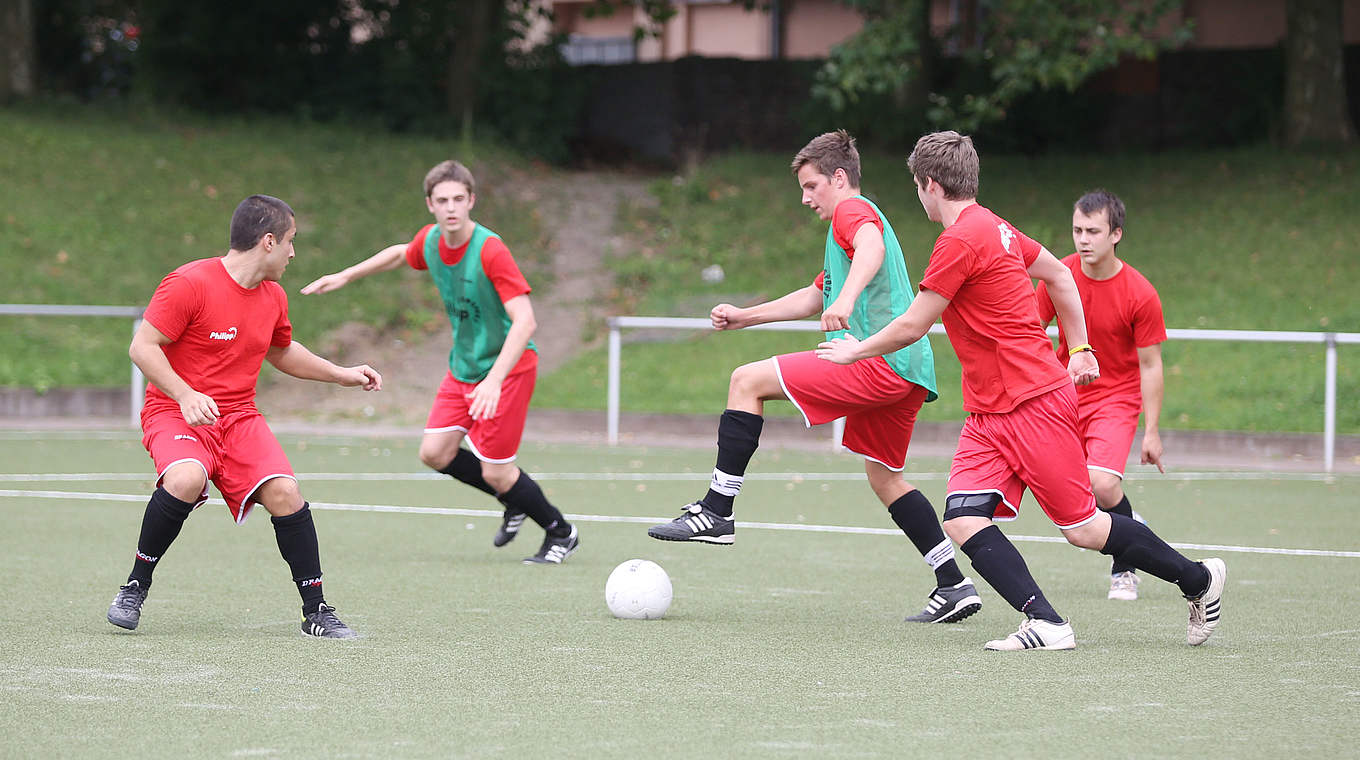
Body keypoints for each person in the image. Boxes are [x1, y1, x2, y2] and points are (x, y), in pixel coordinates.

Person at [816, 131, 1225, 650]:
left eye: (917, 186)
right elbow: (1059, 273)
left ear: (930, 184)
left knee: (1084, 529)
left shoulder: (960, 240)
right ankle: (1047, 623)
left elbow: (915, 324)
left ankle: (1199, 580)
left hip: (1033, 402)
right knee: (963, 519)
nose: (918, 196)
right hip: (990, 411)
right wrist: (1078, 347)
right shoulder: (996, 227)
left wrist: (855, 350)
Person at [647, 130, 983, 624]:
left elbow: (864, 252)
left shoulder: (853, 213)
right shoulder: (847, 229)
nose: (806, 199)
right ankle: (953, 584)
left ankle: (717, 510)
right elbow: (814, 297)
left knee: (745, 381)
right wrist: (746, 316)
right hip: (910, 369)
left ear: (839, 178)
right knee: (884, 477)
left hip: (874, 361)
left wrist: (846, 302)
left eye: (810, 186)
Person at [107, 194, 382, 639]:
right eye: (291, 241)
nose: (294, 253)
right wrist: (185, 393)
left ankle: (317, 611)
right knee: (185, 478)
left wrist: (342, 375)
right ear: (268, 241)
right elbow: (142, 347)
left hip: (238, 418)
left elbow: (282, 351)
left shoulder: (273, 296)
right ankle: (135, 585)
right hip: (175, 412)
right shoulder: (189, 283)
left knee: (286, 493)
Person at [301, 160, 579, 564]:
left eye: (459, 200)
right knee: (435, 453)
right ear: (430, 204)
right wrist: (346, 275)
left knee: (498, 472)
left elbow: (526, 321)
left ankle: (560, 531)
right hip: (463, 367)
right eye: (442, 200)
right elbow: (401, 254)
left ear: (471, 201)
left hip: (507, 369)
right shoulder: (431, 242)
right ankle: (514, 500)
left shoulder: (490, 249)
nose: (451, 208)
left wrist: (494, 381)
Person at [1035, 190, 1167, 601]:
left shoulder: (1140, 293)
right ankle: (1129, 525)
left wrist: (1152, 432)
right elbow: (1031, 333)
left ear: (1116, 235)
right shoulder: (1058, 275)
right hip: (1065, 395)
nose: (1083, 239)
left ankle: (1124, 567)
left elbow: (1150, 365)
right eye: (1077, 230)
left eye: (1093, 231)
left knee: (1102, 485)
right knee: (1069, 493)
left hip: (1116, 399)